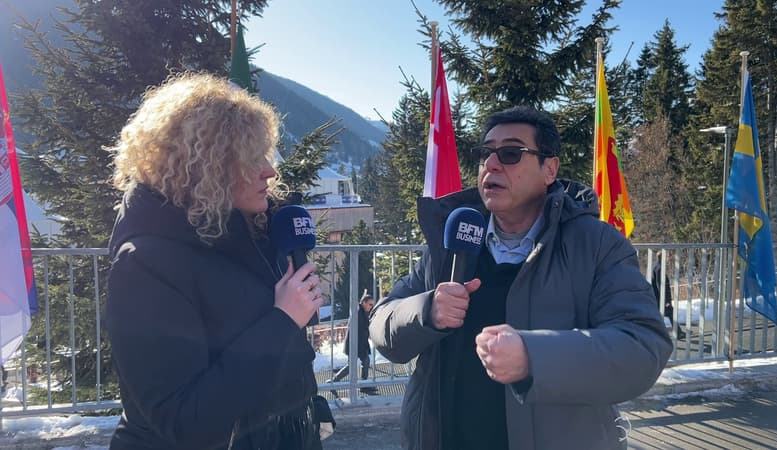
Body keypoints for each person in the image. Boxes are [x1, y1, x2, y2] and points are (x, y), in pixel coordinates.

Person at [369, 106, 673, 450]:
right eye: (485, 153)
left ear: (549, 169)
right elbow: (381, 325)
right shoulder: (453, 241)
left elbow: (643, 347)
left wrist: (533, 356)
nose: (491, 165)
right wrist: (427, 310)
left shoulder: (596, 245)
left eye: (511, 153)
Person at [105, 73, 324, 450]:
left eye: (266, 156)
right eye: (252, 159)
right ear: (205, 165)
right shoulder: (144, 265)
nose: (270, 172)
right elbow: (184, 421)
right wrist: (283, 319)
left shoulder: (248, 233)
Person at [328, 292, 377, 395]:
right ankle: (333, 381)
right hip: (354, 344)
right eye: (370, 304)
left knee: (365, 361)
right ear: (363, 303)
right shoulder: (358, 311)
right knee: (352, 366)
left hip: (359, 344)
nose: (371, 307)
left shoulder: (362, 312)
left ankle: (364, 385)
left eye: (372, 305)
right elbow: (359, 329)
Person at [651, 258, 686, 340]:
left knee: (661, 315)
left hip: (655, 297)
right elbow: (661, 285)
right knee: (670, 313)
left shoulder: (654, 265)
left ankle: (676, 332)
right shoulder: (659, 268)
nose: (667, 260)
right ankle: (677, 333)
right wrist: (666, 300)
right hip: (660, 298)